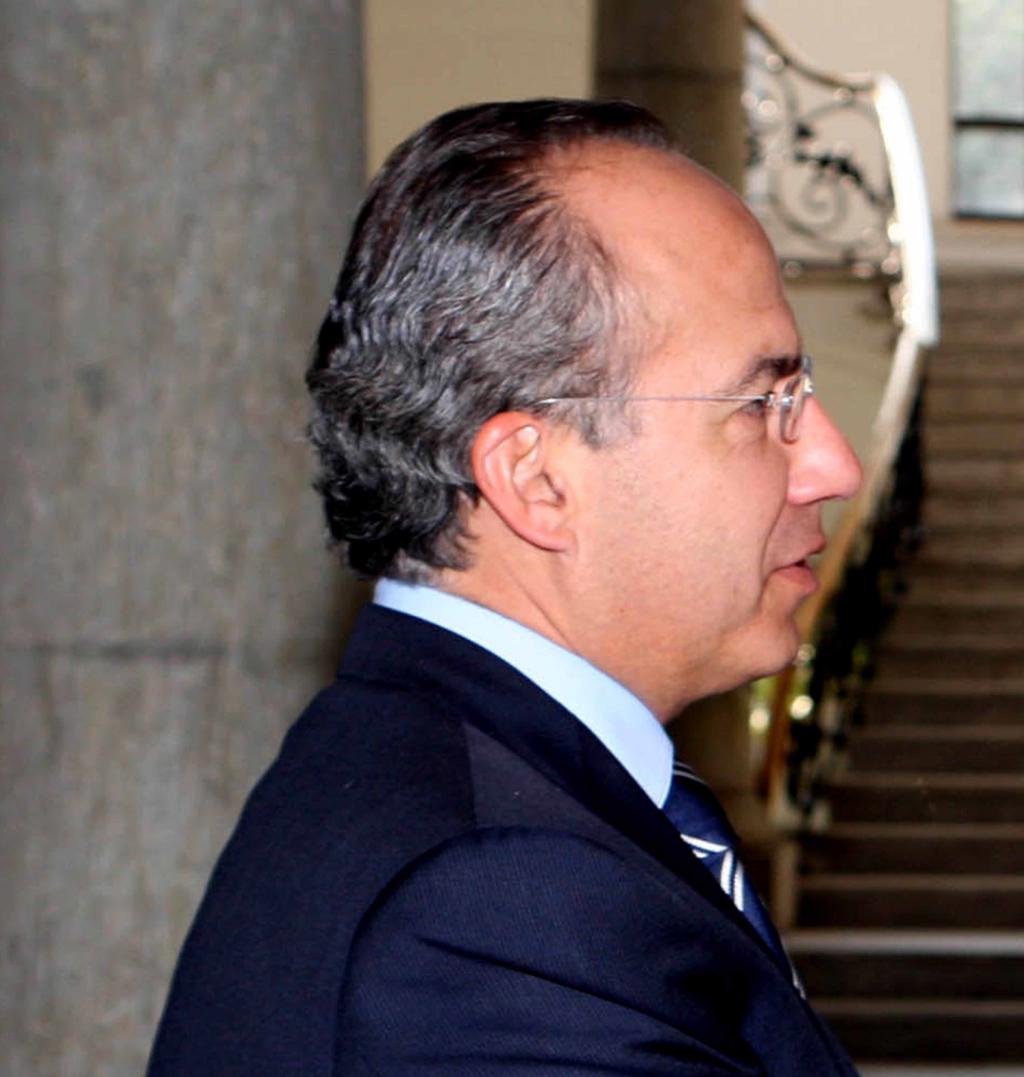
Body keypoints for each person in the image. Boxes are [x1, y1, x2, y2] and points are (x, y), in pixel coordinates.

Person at [148, 98, 862, 1075]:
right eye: (761, 401)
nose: (832, 464)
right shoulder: (499, 904)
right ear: (536, 479)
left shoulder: (447, 775)